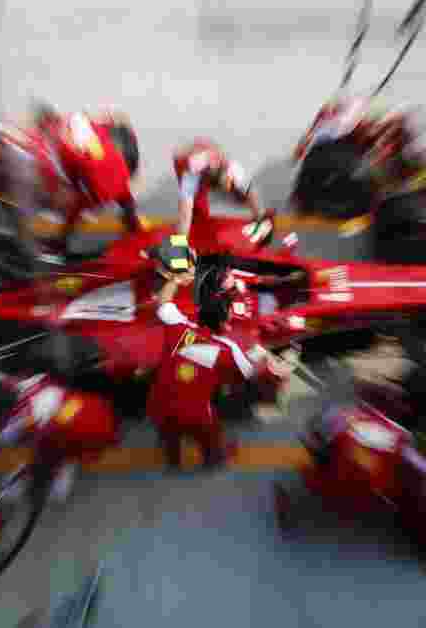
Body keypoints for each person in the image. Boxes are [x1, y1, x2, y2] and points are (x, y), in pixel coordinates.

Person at [145, 240, 292, 468]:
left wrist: (175, 279)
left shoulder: (178, 326)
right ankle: (215, 458)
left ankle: (173, 459)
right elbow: (254, 373)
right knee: (211, 441)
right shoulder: (229, 351)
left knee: (169, 435)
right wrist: (274, 364)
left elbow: (163, 304)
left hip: (159, 403)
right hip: (196, 415)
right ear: (224, 321)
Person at [27, 104, 142, 255]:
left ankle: (60, 244)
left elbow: (72, 178)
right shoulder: (78, 117)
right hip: (122, 172)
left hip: (100, 189)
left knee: (78, 202)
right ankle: (134, 226)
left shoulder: (59, 144)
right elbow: (108, 127)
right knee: (120, 187)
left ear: (44, 125)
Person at [172, 139, 268, 257]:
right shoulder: (191, 174)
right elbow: (184, 214)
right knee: (196, 210)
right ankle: (192, 245)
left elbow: (251, 192)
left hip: (206, 154)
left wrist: (261, 219)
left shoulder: (234, 170)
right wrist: (178, 248)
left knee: (199, 210)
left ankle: (197, 242)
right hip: (182, 157)